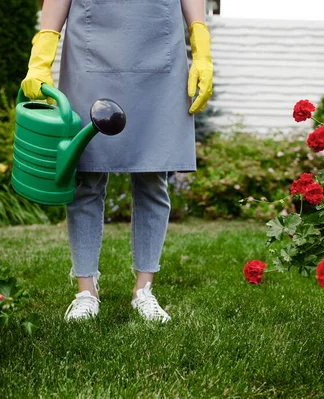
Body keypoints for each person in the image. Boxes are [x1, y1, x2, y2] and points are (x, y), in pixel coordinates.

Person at [21, 0, 213, 322]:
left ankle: (144, 290)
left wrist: (201, 46)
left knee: (153, 175)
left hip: (159, 49)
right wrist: (41, 54)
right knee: (86, 175)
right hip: (89, 50)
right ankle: (85, 291)